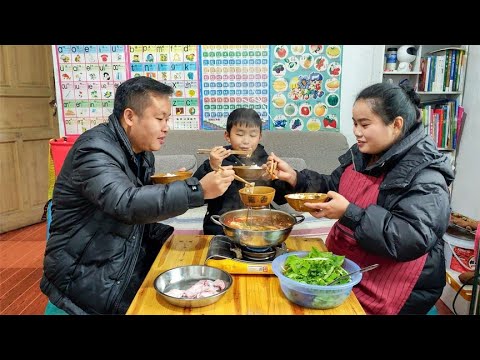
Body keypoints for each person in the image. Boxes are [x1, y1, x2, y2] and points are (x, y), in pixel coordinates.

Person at [40, 76, 235, 315]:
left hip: (119, 265)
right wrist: (198, 190)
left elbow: (140, 210)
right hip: (84, 283)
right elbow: (126, 202)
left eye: (168, 119)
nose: (166, 127)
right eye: (160, 118)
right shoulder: (93, 149)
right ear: (130, 116)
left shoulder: (141, 153)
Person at [267, 81, 454, 315]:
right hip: (345, 269)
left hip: (390, 286)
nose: (356, 131)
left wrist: (349, 214)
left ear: (396, 125)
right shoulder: (364, 155)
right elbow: (332, 187)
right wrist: (295, 178)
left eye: (364, 124)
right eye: (355, 123)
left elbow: (411, 238)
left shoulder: (427, 177)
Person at [193, 108, 273, 235]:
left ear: (259, 137)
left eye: (252, 135)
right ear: (227, 136)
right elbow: (194, 192)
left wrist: (274, 177)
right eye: (240, 134)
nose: (246, 141)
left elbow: (281, 195)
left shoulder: (265, 162)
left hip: (259, 226)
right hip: (219, 225)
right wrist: (212, 166)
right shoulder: (218, 160)